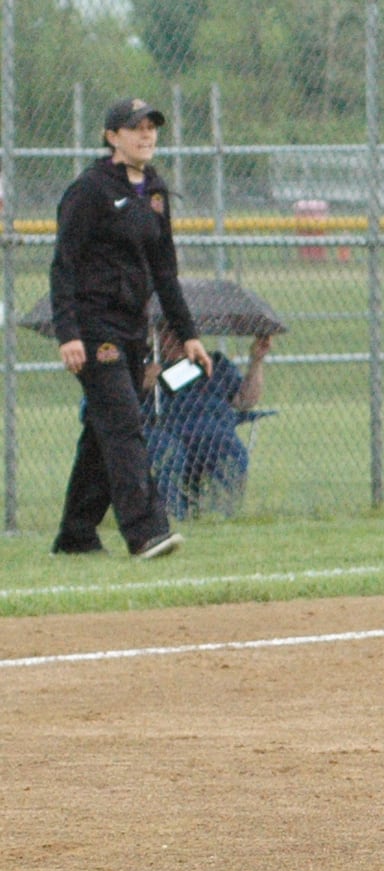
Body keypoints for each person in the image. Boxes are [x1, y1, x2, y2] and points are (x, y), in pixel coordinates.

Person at [49, 97, 211, 559]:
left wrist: (189, 335)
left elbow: (165, 274)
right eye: (136, 128)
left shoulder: (155, 192)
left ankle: (76, 536)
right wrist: (68, 334)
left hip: (132, 328)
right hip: (93, 325)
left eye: (152, 128)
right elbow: (63, 266)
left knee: (104, 435)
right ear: (112, 136)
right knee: (124, 424)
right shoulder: (91, 190)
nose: (147, 136)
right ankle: (145, 532)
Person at [144, 328, 273, 518]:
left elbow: (245, 401)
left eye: (181, 333)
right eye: (167, 332)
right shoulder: (146, 366)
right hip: (169, 433)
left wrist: (257, 360)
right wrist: (143, 383)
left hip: (215, 435)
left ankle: (220, 514)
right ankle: (172, 516)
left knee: (231, 450)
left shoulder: (214, 362)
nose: (175, 339)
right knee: (168, 450)